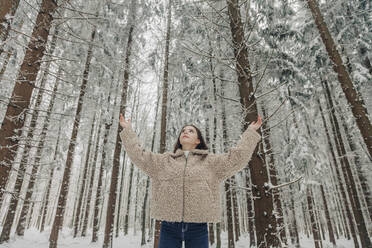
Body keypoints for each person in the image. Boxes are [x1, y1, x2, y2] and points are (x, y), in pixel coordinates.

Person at [119, 113, 262, 248]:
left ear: (198, 140)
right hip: (168, 227)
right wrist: (127, 131)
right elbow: (140, 156)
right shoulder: (164, 161)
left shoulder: (210, 162)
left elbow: (236, 158)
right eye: (183, 131)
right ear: (179, 139)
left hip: (198, 228)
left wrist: (250, 133)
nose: (185, 132)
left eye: (191, 131)